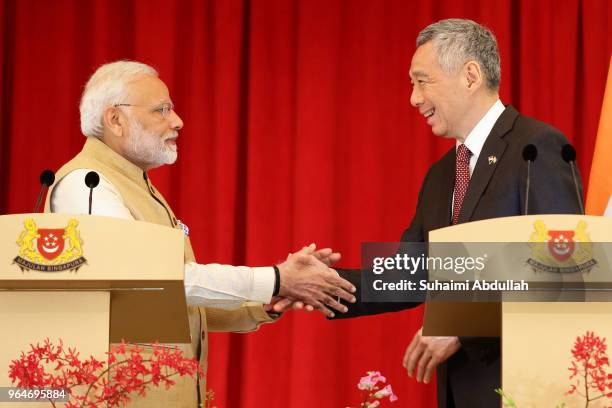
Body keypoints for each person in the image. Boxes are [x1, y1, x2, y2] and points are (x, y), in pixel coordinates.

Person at [43, 60, 356, 407]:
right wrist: (277, 279)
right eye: (161, 110)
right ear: (115, 120)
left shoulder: (136, 185)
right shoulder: (88, 184)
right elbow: (153, 282)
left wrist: (265, 300)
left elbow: (170, 304)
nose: (177, 121)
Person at [323, 18, 582, 408]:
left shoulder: (536, 147)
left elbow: (568, 275)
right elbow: (409, 274)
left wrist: (464, 324)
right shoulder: (442, 174)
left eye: (422, 81)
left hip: (526, 390)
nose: (413, 98)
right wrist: (320, 284)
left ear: (471, 75)